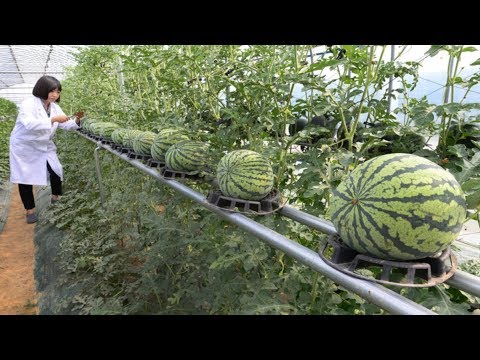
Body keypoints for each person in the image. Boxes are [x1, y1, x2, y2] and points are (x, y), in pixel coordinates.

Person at [9, 75, 81, 224]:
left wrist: (77, 121)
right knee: (25, 178)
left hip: (44, 145)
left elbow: (65, 125)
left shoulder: (54, 107)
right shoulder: (28, 104)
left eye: (58, 92)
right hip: (25, 146)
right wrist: (53, 119)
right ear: (42, 89)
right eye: (52, 91)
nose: (55, 95)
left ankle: (56, 198)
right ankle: (30, 211)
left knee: (56, 170)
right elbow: (29, 124)